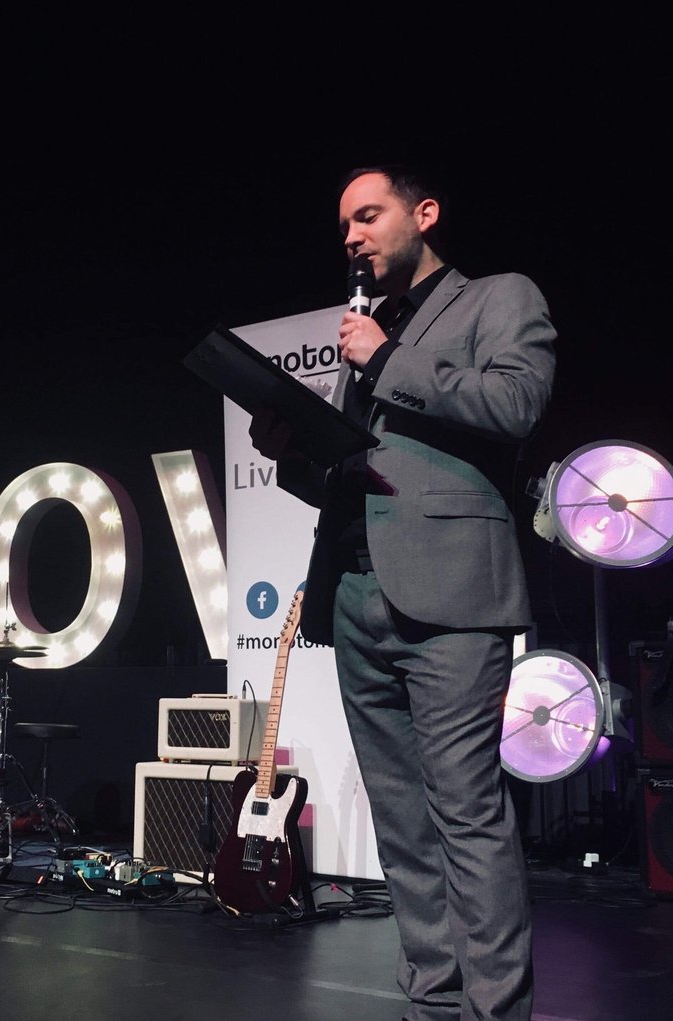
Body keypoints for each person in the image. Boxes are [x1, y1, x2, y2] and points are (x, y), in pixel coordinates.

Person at [249, 163, 555, 1021]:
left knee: (467, 813)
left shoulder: (496, 297)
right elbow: (362, 477)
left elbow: (517, 403)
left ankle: (497, 1011)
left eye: (368, 215)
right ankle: (432, 1000)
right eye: (343, 224)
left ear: (423, 214)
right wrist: (291, 453)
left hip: (454, 597)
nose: (351, 235)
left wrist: (388, 360)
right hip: (355, 592)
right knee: (403, 822)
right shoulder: (368, 329)